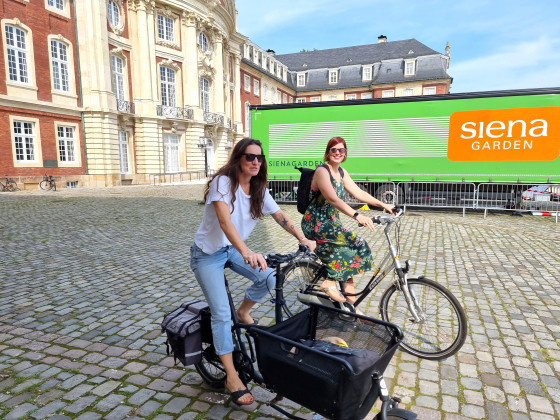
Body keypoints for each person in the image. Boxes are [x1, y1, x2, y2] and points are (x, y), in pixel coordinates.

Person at [190, 137, 315, 406]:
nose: (256, 162)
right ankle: (232, 376)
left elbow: (280, 216)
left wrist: (301, 237)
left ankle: (244, 312)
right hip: (208, 254)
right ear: (239, 159)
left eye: (260, 158)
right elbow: (224, 221)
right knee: (221, 314)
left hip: (232, 249)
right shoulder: (223, 183)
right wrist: (246, 251)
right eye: (250, 157)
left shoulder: (259, 188)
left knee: (269, 277)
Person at [301, 136, 395, 310]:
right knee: (354, 243)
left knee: (356, 247)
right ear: (328, 153)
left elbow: (359, 193)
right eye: (333, 150)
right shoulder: (322, 171)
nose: (337, 153)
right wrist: (357, 215)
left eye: (341, 150)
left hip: (331, 222)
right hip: (316, 222)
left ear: (345, 153)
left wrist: (383, 204)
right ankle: (329, 282)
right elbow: (333, 199)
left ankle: (352, 305)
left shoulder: (341, 172)